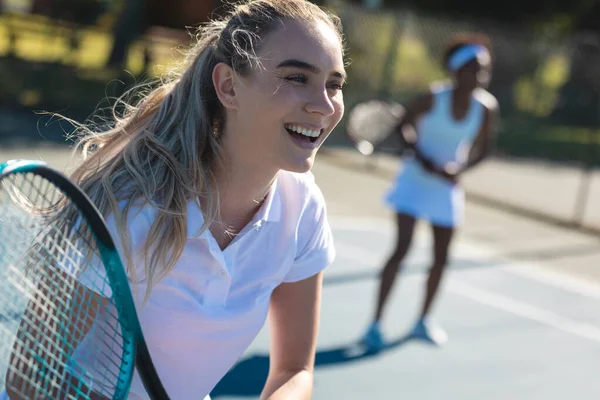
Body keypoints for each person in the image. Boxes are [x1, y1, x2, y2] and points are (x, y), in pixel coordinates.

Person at [5, 1, 346, 399]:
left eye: (334, 85)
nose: (323, 105)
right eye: (296, 77)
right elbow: (27, 378)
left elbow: (295, 370)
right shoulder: (127, 205)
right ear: (228, 86)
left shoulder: (303, 209)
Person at [360, 33, 500, 349]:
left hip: (447, 187)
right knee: (402, 249)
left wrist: (457, 170)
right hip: (415, 180)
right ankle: (375, 323)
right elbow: (402, 126)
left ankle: (422, 320)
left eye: (485, 70)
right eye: (475, 69)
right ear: (456, 70)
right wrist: (423, 159)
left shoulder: (487, 107)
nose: (481, 76)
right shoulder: (431, 98)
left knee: (441, 258)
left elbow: (483, 151)